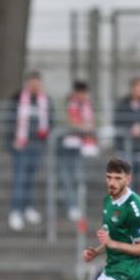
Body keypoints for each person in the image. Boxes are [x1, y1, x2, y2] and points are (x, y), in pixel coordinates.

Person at [8, 70, 53, 231]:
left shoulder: (46, 100)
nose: (35, 85)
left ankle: (28, 207)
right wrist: (13, 139)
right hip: (21, 145)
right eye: (32, 82)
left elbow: (50, 121)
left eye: (37, 82)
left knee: (31, 178)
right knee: (20, 178)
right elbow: (10, 121)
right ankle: (16, 210)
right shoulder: (17, 99)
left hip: (37, 145)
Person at [58, 81, 98, 222]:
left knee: (78, 177)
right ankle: (72, 205)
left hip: (83, 147)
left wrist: (84, 127)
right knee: (68, 177)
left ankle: (76, 204)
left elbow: (93, 124)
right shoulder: (67, 104)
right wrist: (82, 127)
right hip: (67, 146)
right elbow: (67, 122)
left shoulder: (89, 105)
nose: (82, 96)